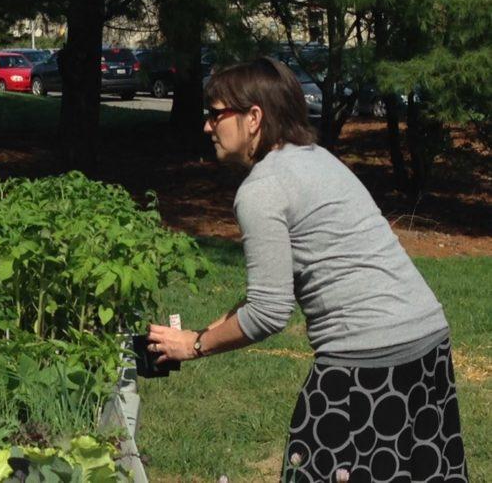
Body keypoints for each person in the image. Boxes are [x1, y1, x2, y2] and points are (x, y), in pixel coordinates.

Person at [147, 57, 466, 482]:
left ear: (253, 118)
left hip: (366, 364)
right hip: (427, 344)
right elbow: (269, 293)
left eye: (216, 113)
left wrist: (196, 346)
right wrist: (197, 334)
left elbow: (268, 313)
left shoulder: (262, 190)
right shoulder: (315, 159)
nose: (207, 126)